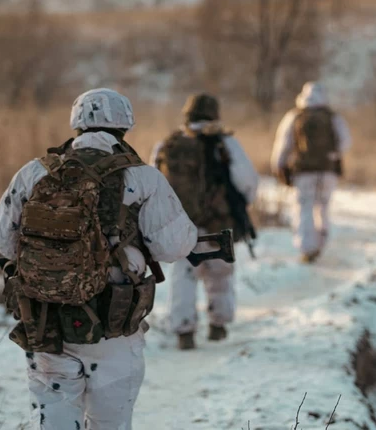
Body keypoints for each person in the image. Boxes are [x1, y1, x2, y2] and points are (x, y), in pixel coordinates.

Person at [0, 88, 198, 430]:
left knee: (52, 416)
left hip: (45, 320)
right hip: (112, 325)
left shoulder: (35, 173)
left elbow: (1, 236)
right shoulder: (142, 177)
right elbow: (173, 247)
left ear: (76, 124)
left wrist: (52, 265)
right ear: (124, 126)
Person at [151, 93, 259, 351]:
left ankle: (184, 331)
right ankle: (218, 325)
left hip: (179, 225)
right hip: (217, 223)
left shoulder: (168, 144)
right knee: (219, 273)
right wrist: (239, 205)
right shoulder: (225, 143)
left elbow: (152, 183)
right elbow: (247, 181)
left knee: (183, 276)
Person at [271, 81, 352, 263]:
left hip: (303, 171)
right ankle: (321, 242)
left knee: (304, 207)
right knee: (322, 206)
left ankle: (307, 248)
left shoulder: (295, 116)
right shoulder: (332, 117)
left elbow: (283, 144)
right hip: (327, 170)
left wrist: (279, 166)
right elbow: (346, 141)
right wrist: (333, 155)